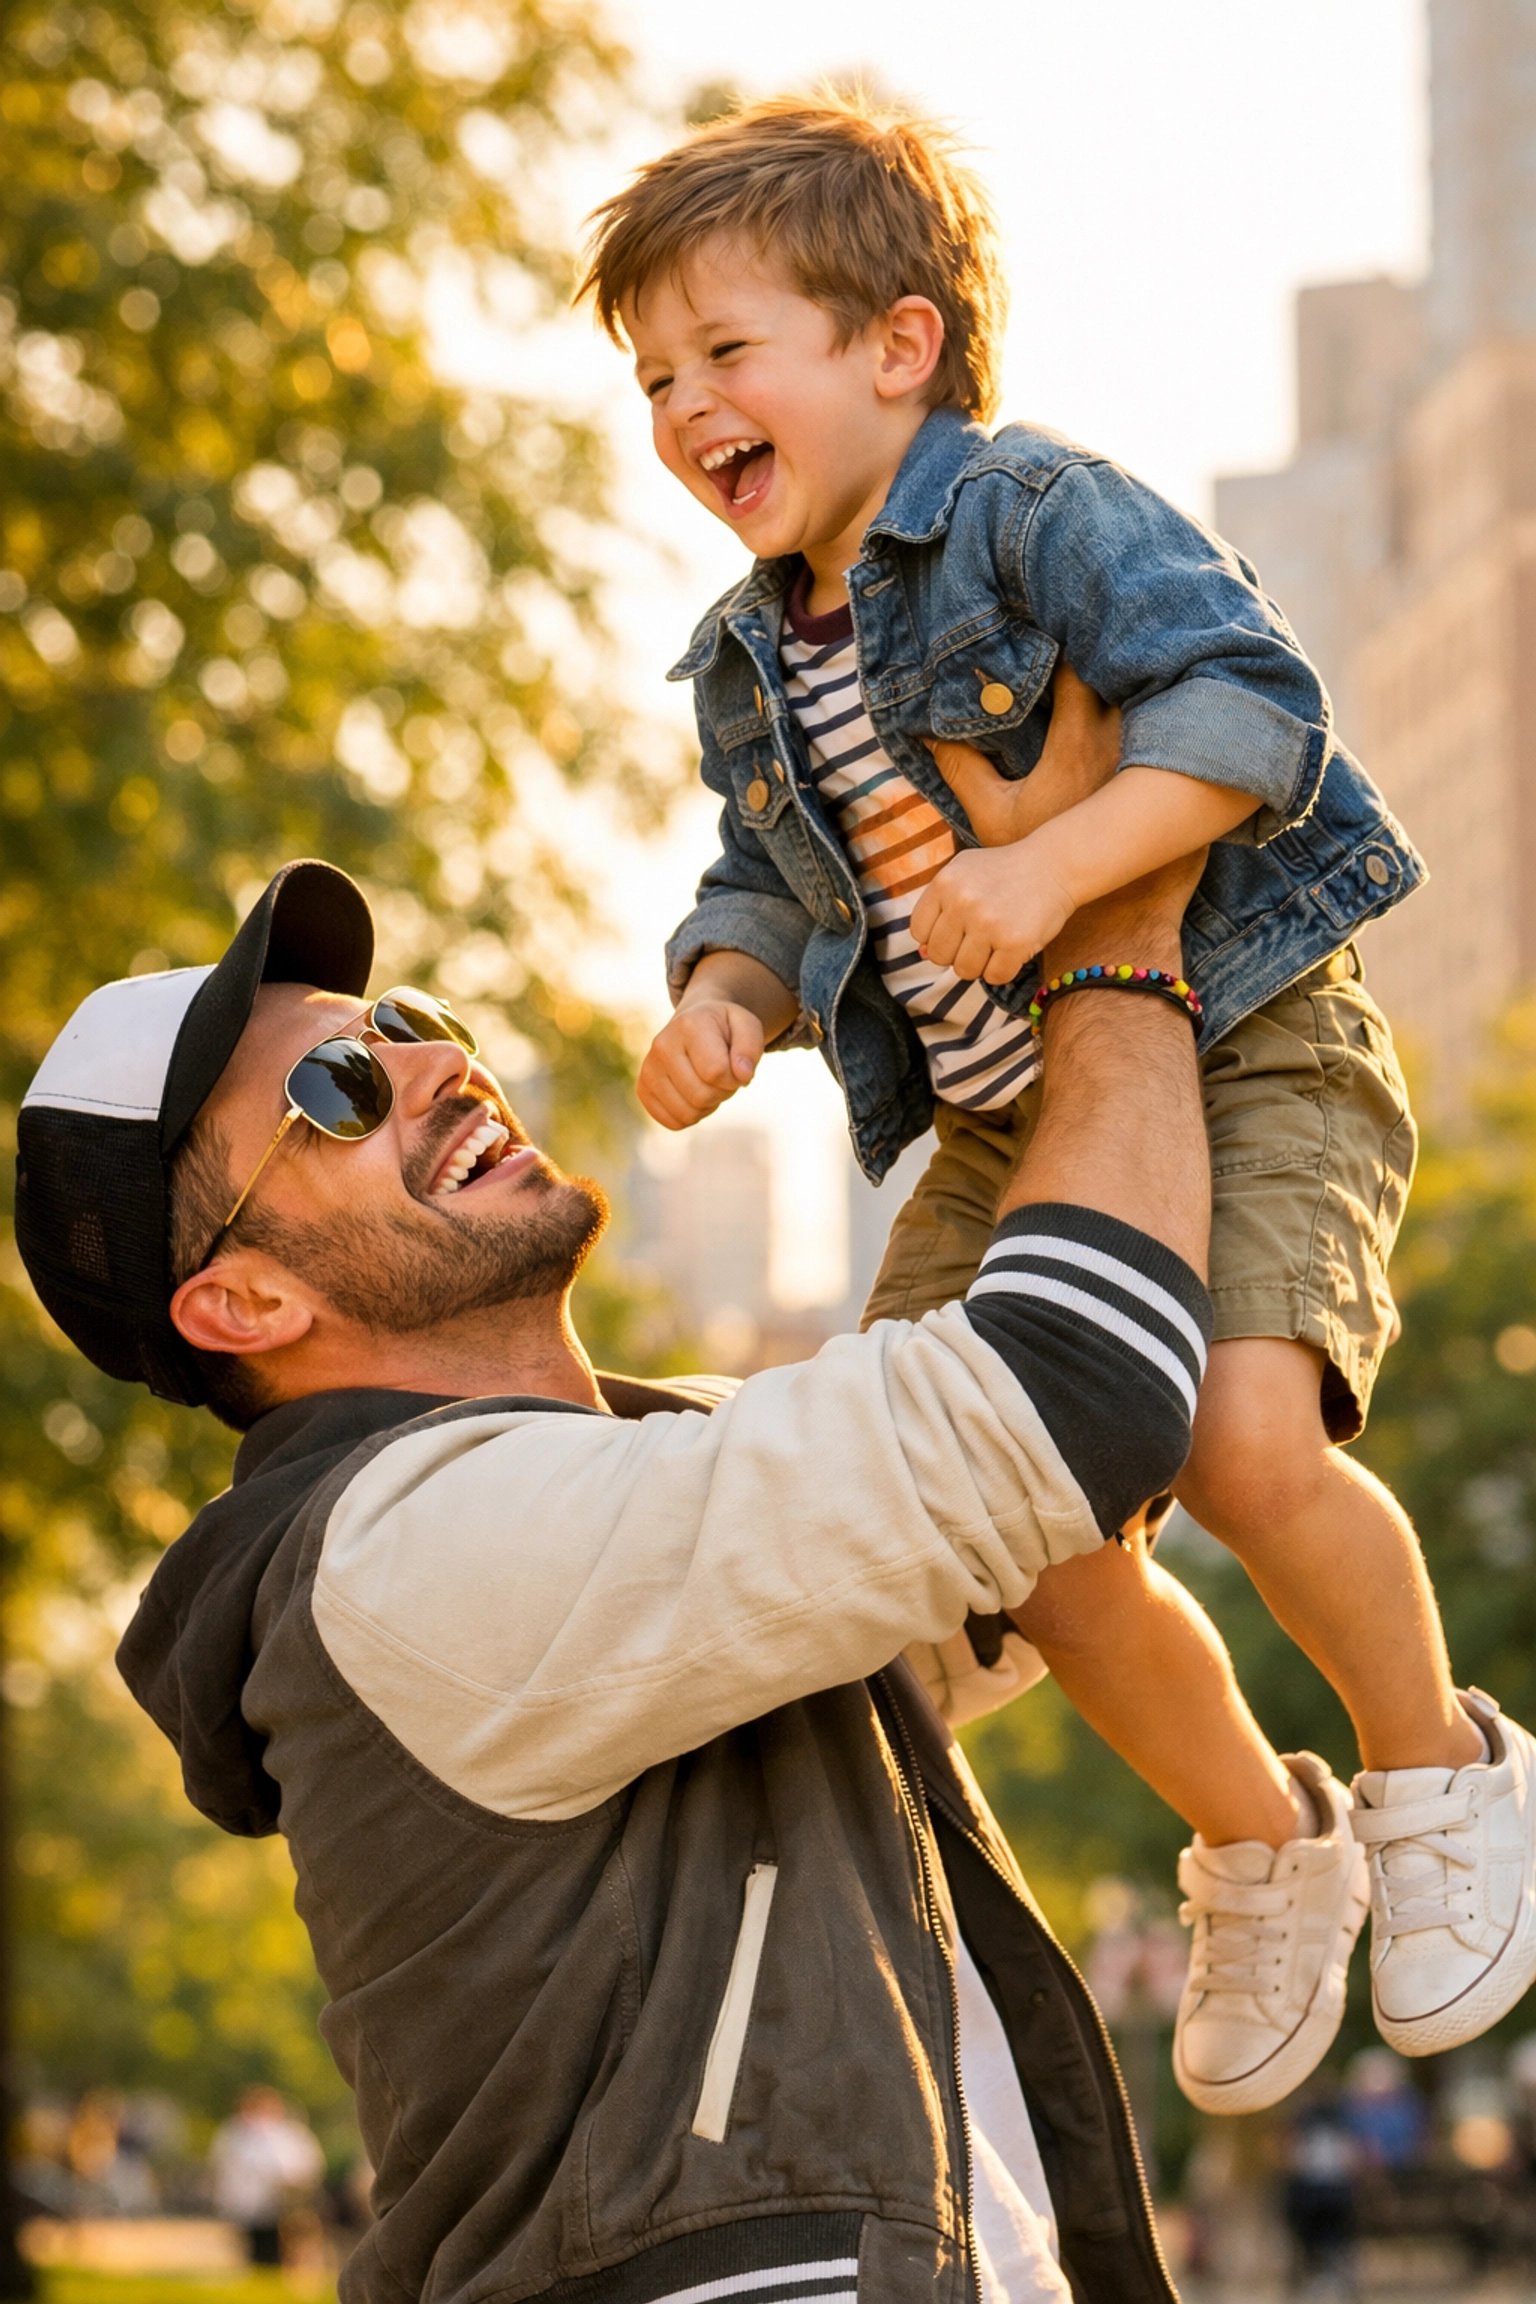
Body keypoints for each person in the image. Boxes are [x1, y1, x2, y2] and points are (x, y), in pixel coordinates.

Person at [582, 88, 1536, 2106]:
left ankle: (1437, 1772)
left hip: (1247, 1038)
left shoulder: (1031, 513)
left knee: (1245, 1438)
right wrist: (727, 1002)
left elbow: (1250, 704)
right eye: (656, 375)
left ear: (896, 344)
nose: (683, 406)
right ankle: (1262, 1843)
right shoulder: (748, 662)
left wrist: (1054, 861)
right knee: (999, 1531)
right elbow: (766, 880)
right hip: (1004, 1132)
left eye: (724, 352)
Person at [19, 851, 1214, 2304]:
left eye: (402, 1017)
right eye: (335, 1088)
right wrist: (1119, 939)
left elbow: (1039, 1549)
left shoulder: (641, 1469)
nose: (438, 1062)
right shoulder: (406, 1548)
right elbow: (1079, 1393)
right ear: (247, 1300)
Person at [209, 2086, 324, 2267]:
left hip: (285, 2202)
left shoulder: (291, 2133)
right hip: (251, 2204)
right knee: (258, 2250)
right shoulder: (233, 2135)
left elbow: (306, 2165)